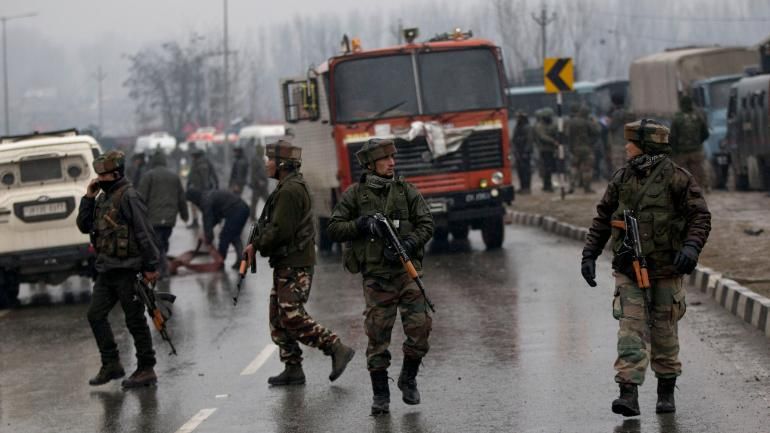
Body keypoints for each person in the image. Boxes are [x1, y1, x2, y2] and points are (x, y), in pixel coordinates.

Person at [580, 119, 711, 417]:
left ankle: (666, 392)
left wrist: (691, 248)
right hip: (629, 268)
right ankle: (628, 394)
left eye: (631, 143)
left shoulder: (678, 178)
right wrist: (590, 253)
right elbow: (603, 217)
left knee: (664, 332)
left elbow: (700, 217)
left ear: (647, 146)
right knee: (630, 330)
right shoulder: (621, 178)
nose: (626, 148)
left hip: (666, 268)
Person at [328, 138, 434, 415]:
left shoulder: (406, 191)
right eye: (385, 159)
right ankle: (380, 395)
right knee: (377, 337)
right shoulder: (355, 195)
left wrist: (410, 243)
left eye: (392, 158)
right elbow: (334, 228)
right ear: (370, 164)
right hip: (377, 278)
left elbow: (427, 223)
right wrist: (362, 225)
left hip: (406, 273)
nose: (392, 163)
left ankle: (408, 379)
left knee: (420, 329)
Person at [243, 140, 355, 387]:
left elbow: (280, 230)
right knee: (278, 318)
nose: (266, 164)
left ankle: (335, 347)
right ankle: (293, 368)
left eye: (270, 159)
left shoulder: (290, 190)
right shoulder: (287, 186)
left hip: (295, 263)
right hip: (287, 261)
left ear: (282, 164)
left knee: (292, 316)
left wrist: (256, 245)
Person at [76, 150, 162, 388]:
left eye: (103, 175)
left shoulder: (128, 196)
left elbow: (144, 232)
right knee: (95, 315)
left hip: (128, 270)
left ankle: (146, 368)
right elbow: (85, 226)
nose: (98, 179)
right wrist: (88, 198)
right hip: (107, 270)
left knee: (134, 320)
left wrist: (151, 266)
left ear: (115, 173)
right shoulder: (102, 197)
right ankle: (111, 364)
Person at [137, 151, 189, 279]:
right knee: (163, 242)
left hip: (153, 218)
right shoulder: (174, 176)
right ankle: (163, 267)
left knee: (157, 244)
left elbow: (140, 197)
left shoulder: (148, 176)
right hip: (170, 219)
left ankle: (162, 269)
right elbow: (181, 198)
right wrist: (184, 214)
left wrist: (138, 215)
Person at [185, 187, 249, 269]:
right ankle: (241, 260)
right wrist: (206, 232)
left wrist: (208, 237)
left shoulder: (205, 201)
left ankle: (220, 261)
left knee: (225, 236)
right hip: (242, 209)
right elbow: (215, 218)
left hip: (237, 211)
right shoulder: (206, 196)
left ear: (193, 198)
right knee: (234, 236)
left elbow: (208, 220)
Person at [669, 94, 709, 188]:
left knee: (681, 176)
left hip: (681, 153)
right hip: (696, 152)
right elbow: (706, 133)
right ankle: (697, 193)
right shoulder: (698, 117)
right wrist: (698, 143)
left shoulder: (677, 118)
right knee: (697, 176)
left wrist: (674, 152)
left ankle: (684, 195)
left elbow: (673, 137)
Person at [565, 105, 600, 193]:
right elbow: (596, 132)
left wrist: (570, 148)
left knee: (574, 167)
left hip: (575, 149)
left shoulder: (571, 122)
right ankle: (587, 188)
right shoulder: (587, 122)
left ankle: (571, 187)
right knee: (587, 169)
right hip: (586, 148)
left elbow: (567, 136)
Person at [186, 148, 219, 229]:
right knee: (196, 205)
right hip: (198, 188)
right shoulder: (198, 163)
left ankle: (205, 221)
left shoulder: (201, 164)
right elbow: (191, 175)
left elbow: (204, 177)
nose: (192, 157)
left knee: (202, 205)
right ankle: (197, 221)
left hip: (201, 189)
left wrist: (206, 189)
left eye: (193, 156)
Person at [607, 93, 635, 176]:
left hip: (618, 143)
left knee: (618, 166)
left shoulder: (616, 113)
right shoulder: (630, 113)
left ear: (614, 103)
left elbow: (612, 127)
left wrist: (608, 122)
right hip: (629, 142)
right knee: (629, 164)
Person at [534, 107, 560, 192]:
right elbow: (542, 136)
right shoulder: (540, 126)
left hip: (550, 149)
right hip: (545, 150)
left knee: (549, 168)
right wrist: (553, 141)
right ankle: (547, 185)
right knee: (546, 168)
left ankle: (547, 185)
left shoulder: (550, 125)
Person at [511, 110, 534, 194]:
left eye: (519, 118)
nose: (517, 119)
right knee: (520, 171)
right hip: (518, 152)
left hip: (525, 153)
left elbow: (529, 140)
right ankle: (522, 187)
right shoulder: (517, 127)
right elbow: (513, 140)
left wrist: (526, 152)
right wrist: (515, 151)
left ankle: (527, 187)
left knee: (526, 171)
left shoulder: (527, 127)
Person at [249, 142, 270, 220]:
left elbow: (264, 170)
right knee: (255, 201)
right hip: (257, 185)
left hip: (263, 184)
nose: (262, 151)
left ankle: (271, 215)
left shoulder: (262, 159)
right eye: (261, 149)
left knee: (268, 200)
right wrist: (258, 181)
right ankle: (252, 217)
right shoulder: (255, 159)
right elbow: (253, 172)